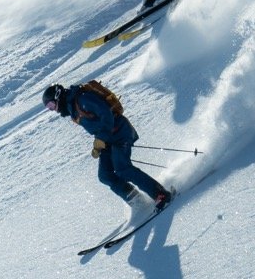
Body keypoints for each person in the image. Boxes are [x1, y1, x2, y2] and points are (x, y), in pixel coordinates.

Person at [43, 80, 172, 210]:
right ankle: (137, 201)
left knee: (123, 169)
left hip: (120, 132)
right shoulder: (73, 110)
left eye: (51, 105)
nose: (53, 109)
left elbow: (107, 115)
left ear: (58, 96)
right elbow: (97, 125)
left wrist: (101, 139)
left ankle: (160, 194)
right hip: (108, 140)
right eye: (49, 108)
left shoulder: (82, 99)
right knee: (105, 175)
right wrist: (98, 144)